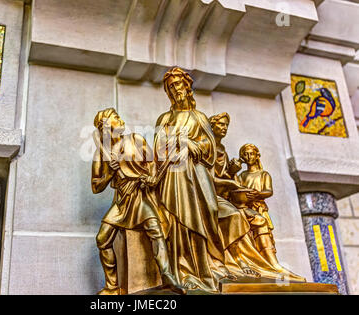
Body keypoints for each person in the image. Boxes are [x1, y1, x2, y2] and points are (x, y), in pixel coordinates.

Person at [153, 68, 260, 292]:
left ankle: (210, 265)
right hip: (174, 177)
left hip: (199, 179)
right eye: (170, 87)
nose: (175, 89)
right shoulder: (164, 119)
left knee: (208, 212)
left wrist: (193, 145)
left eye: (178, 84)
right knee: (179, 221)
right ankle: (185, 270)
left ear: (187, 86)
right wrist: (176, 144)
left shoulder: (198, 117)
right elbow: (158, 150)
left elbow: (210, 149)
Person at [92, 108, 183, 295]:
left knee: (155, 230)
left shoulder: (135, 139)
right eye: (115, 117)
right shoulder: (101, 153)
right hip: (121, 201)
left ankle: (168, 277)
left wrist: (149, 177)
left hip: (140, 195)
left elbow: (151, 165)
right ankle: (112, 286)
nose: (120, 118)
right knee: (102, 239)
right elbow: (95, 187)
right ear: (107, 126)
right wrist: (109, 173)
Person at [238, 143, 306, 282]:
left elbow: (268, 191)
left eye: (251, 153)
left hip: (259, 209)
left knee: (263, 235)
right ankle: (256, 264)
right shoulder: (241, 175)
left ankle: (272, 265)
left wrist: (258, 194)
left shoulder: (263, 174)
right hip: (245, 210)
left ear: (257, 156)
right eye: (245, 154)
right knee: (248, 237)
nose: (249, 156)